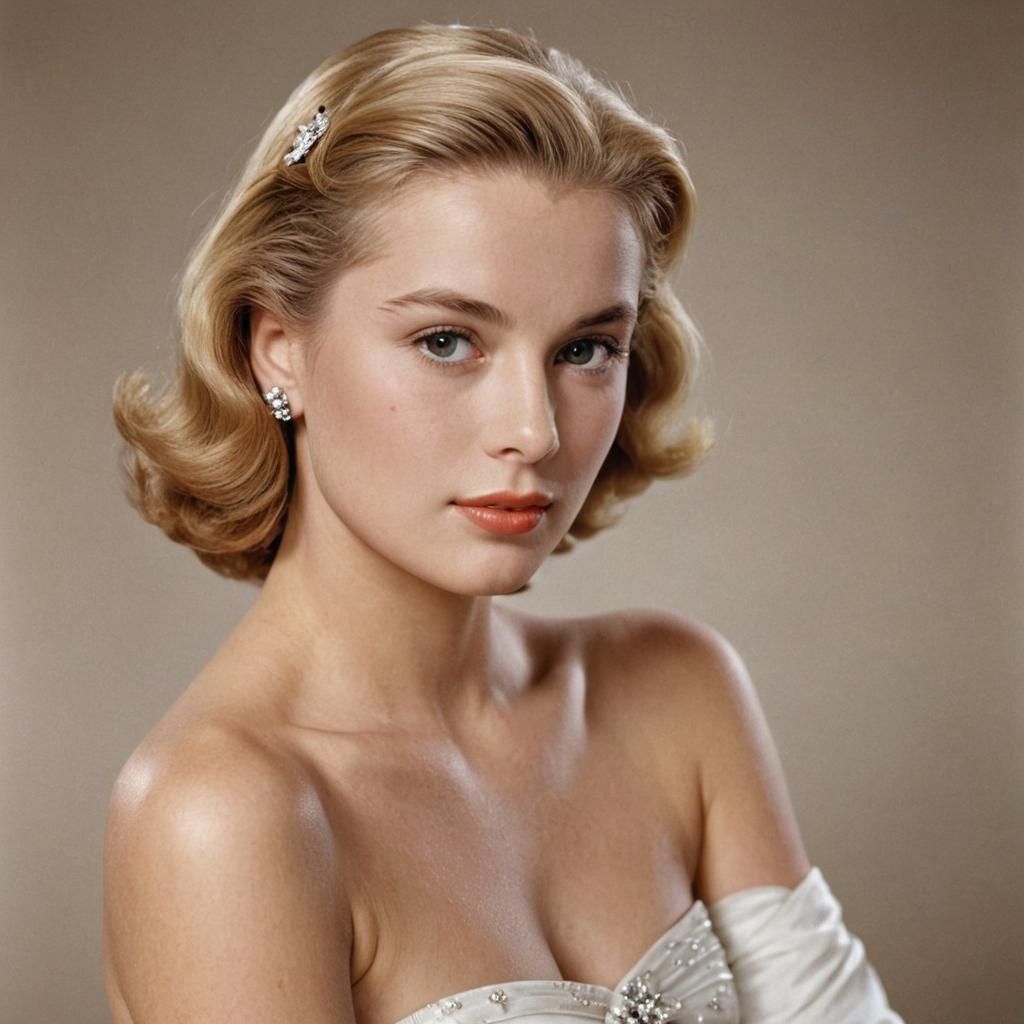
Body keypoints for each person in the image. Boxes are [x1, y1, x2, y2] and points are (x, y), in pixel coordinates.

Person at [103, 23, 903, 1024]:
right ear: (278, 349)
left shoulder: (678, 695)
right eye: (447, 340)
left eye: (585, 349)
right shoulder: (226, 815)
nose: (534, 431)